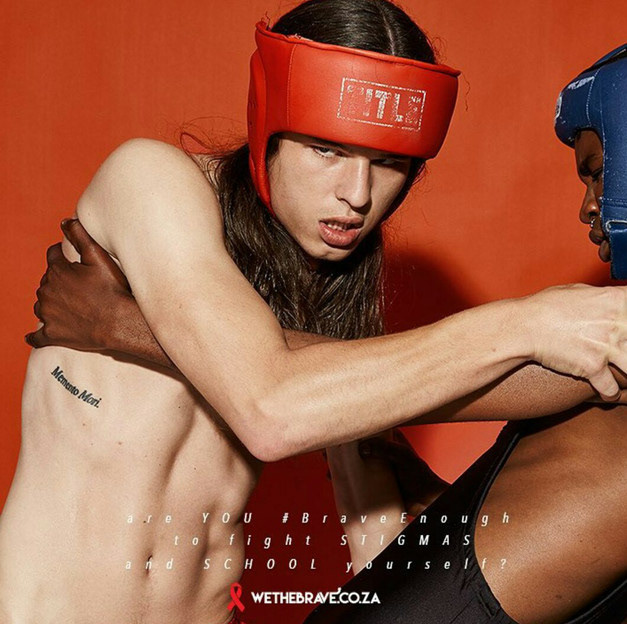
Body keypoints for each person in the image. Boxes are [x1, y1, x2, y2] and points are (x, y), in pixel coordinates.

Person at [1, 1, 626, 621]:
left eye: (389, 163)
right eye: (327, 150)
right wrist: (526, 322)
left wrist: (125, 328)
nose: (357, 195)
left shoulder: (329, 281)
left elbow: (371, 527)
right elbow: (268, 406)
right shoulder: (150, 179)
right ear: (270, 123)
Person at [303, 43, 627, 624]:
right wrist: (440, 500)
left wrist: (143, 323)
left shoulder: (611, 339)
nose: (587, 208)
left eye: (599, 174)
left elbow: (285, 388)